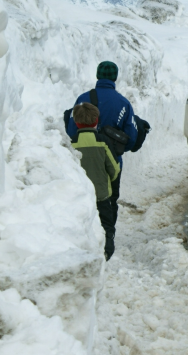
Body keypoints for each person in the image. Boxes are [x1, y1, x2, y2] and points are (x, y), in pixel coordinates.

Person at [66, 61, 138, 241]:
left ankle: (86, 236)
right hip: (110, 161)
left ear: (98, 75)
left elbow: (71, 130)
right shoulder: (123, 103)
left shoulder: (82, 99)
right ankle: (107, 237)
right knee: (110, 200)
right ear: (115, 77)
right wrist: (117, 149)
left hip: (81, 159)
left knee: (82, 199)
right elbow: (131, 136)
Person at [70, 103, 120, 260]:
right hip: (102, 192)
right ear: (96, 121)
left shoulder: (71, 143)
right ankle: (107, 251)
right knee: (106, 225)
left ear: (76, 122)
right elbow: (114, 168)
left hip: (80, 195)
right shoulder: (103, 141)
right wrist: (108, 181)